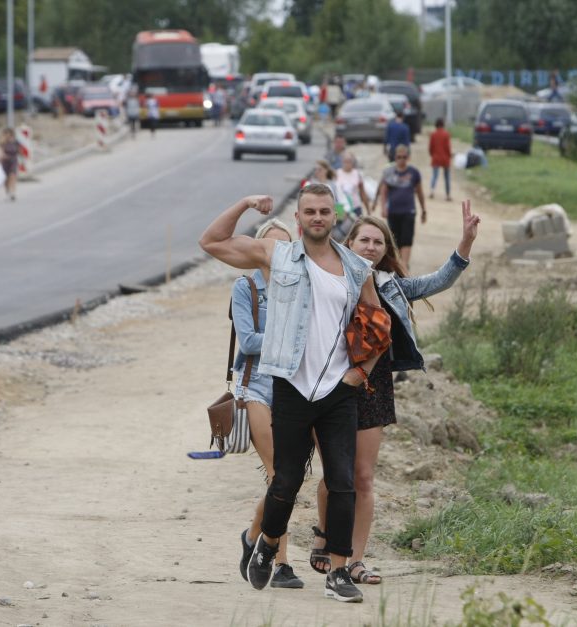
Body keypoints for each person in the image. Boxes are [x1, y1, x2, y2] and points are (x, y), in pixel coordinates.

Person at [199, 183, 387, 603]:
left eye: (324, 211)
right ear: (298, 217)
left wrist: (360, 373)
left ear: (334, 216)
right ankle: (266, 545)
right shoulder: (277, 255)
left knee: (342, 482)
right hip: (290, 385)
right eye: (310, 211)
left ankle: (338, 573)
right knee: (285, 478)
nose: (318, 217)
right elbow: (211, 241)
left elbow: (379, 327)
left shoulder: (356, 267)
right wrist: (246, 203)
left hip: (338, 389)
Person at [310, 207, 479, 585]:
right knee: (336, 475)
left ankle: (355, 559)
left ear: (386, 249)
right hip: (328, 385)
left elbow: (439, 281)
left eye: (377, 241)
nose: (369, 247)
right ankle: (323, 534)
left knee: (364, 477)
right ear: (348, 243)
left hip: (374, 388)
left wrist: (465, 242)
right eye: (363, 240)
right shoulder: (326, 278)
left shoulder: (392, 285)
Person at [233, 218, 305, 590]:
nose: (278, 254)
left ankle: (251, 537)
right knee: (280, 474)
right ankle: (281, 562)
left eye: (285, 247)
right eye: (271, 246)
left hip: (292, 388)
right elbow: (247, 341)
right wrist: (287, 339)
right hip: (256, 386)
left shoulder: (300, 289)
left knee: (287, 478)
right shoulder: (245, 286)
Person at [371, 144, 426, 268]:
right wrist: (383, 207)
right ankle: (398, 264)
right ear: (395, 157)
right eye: (399, 157)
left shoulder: (414, 172)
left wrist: (424, 210)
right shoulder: (389, 172)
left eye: (404, 157)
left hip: (409, 211)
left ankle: (404, 265)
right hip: (393, 212)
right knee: (395, 241)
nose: (401, 159)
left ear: (408, 157)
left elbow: (420, 192)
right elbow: (383, 191)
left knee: (406, 239)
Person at [334, 152, 370, 217]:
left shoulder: (357, 174)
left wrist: (368, 210)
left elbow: (363, 193)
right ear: (342, 162)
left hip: (355, 206)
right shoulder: (337, 173)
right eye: (345, 161)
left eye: (349, 161)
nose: (347, 164)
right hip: (342, 207)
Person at [428, 118, 453, 201]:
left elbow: (431, 147)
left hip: (436, 157)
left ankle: (432, 191)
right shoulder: (446, 134)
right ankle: (448, 195)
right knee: (447, 177)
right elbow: (448, 147)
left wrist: (432, 154)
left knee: (435, 176)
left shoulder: (433, 134)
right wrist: (450, 155)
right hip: (445, 158)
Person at [0, 127, 19, 201]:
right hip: (5, 161)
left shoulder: (15, 141)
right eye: (5, 134)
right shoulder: (3, 142)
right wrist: (2, 156)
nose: (7, 135)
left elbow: (18, 150)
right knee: (7, 178)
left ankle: (13, 192)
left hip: (13, 160)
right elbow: (1, 151)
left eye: (8, 133)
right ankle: (7, 191)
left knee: (12, 176)